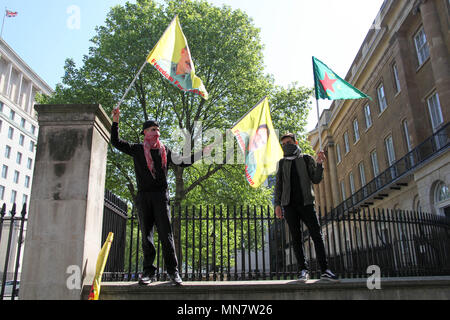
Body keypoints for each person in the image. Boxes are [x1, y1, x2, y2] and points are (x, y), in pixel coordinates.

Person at [111, 108, 202, 286]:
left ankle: (173, 272)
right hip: (144, 197)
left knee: (166, 235)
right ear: (145, 132)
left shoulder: (165, 151)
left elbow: (184, 161)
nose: (156, 132)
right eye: (153, 129)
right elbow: (115, 141)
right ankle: (148, 272)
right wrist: (115, 121)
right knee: (146, 236)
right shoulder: (137, 149)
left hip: (161, 196)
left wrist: (201, 152)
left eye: (158, 129)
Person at [274, 133, 339, 282]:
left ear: (295, 142)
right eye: (283, 144)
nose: (286, 146)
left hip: (307, 203)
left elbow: (316, 179)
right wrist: (277, 204)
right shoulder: (282, 163)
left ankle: (325, 270)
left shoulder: (306, 158)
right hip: (289, 205)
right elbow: (279, 185)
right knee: (296, 239)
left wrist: (320, 164)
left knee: (317, 236)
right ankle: (303, 270)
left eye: (289, 142)